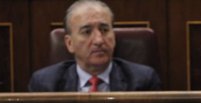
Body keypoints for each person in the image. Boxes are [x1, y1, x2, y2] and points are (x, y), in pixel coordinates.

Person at [28, 0, 161, 92]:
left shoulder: (143, 81)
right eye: (86, 32)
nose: (99, 40)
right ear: (70, 43)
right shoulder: (45, 84)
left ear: (113, 36)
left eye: (104, 30)